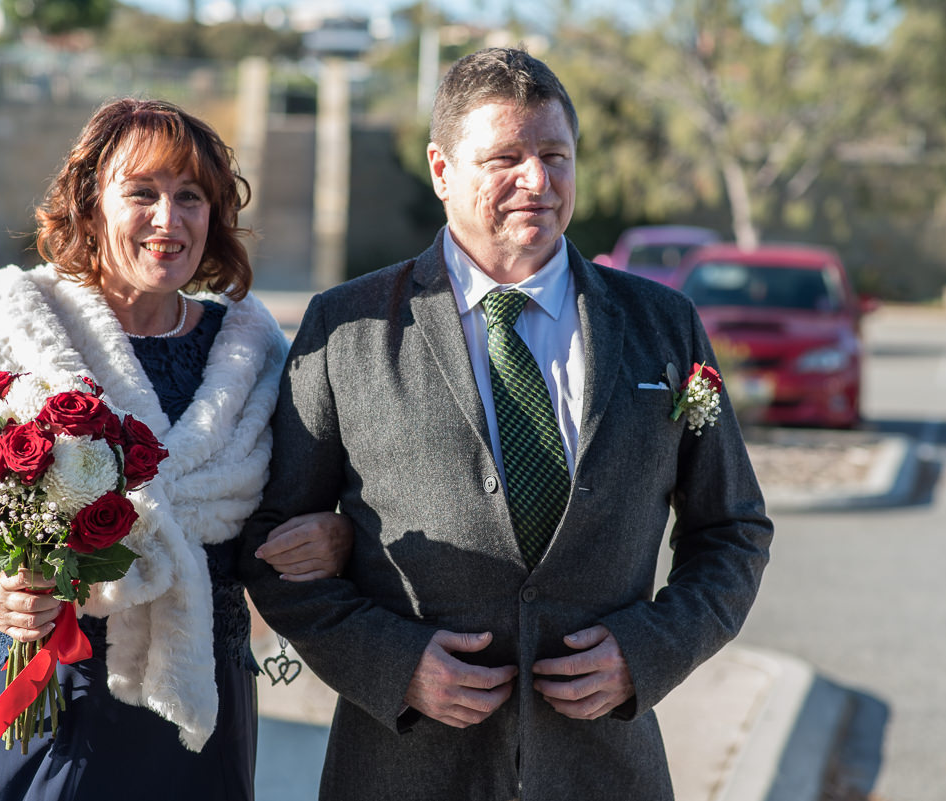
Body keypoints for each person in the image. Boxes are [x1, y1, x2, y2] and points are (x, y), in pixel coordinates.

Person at [238, 47, 773, 800]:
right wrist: (394, 663)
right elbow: (271, 549)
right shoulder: (345, 327)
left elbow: (733, 532)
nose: (538, 180)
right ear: (441, 169)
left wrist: (646, 652)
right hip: (402, 768)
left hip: (606, 770)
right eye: (506, 157)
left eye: (556, 154)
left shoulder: (663, 325)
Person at [0, 97, 352, 801]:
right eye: (142, 193)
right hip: (46, 686)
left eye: (190, 196)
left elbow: (293, 519)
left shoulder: (254, 355)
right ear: (89, 206)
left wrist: (337, 535)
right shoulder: (10, 323)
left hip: (201, 701)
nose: (169, 219)